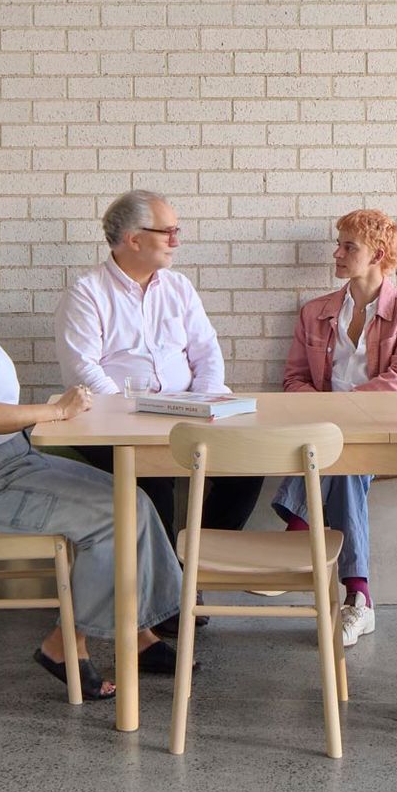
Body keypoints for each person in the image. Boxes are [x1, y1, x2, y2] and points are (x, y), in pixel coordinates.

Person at [0, 212, 184, 699]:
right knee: (115, 516)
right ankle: (63, 645)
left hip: (0, 462)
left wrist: (50, 413)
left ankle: (139, 632)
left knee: (130, 497)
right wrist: (55, 412)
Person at [57, 190, 262, 544]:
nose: (176, 241)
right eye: (167, 231)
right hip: (112, 424)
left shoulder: (179, 287)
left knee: (249, 465)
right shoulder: (86, 292)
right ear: (133, 239)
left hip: (187, 413)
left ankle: (192, 563)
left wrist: (203, 402)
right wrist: (133, 414)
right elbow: (81, 369)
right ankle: (166, 586)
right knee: (153, 481)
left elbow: (207, 352)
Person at [274, 208, 397, 649]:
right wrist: (332, 415)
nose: (337, 253)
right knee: (339, 457)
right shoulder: (316, 312)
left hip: (384, 431)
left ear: (377, 254)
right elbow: (293, 380)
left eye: (349, 246)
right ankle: (358, 599)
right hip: (326, 434)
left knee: (341, 454)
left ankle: (295, 536)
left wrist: (338, 410)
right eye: (338, 244)